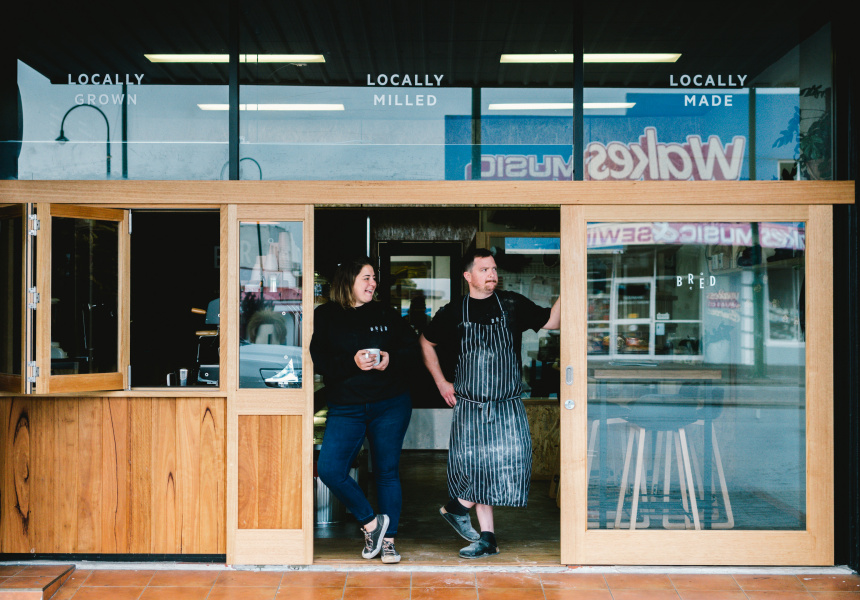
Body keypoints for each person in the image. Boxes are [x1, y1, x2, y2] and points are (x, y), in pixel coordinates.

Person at [419, 248, 560, 559]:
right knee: (477, 468)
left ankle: (457, 507)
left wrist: (570, 285)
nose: (492, 275)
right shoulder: (454, 311)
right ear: (468, 276)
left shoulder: (512, 304)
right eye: (484, 269)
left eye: (494, 269)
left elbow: (551, 321)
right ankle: (488, 538)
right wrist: (441, 382)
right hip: (470, 404)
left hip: (507, 403)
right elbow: (426, 342)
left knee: (514, 458)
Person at [310, 257, 418, 564]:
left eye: (374, 279)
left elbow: (411, 349)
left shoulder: (386, 312)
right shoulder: (327, 315)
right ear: (348, 281)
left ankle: (388, 543)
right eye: (366, 278)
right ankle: (372, 523)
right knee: (330, 469)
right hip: (346, 406)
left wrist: (389, 358)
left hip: (390, 404)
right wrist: (351, 363)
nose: (372, 284)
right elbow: (320, 359)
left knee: (386, 472)